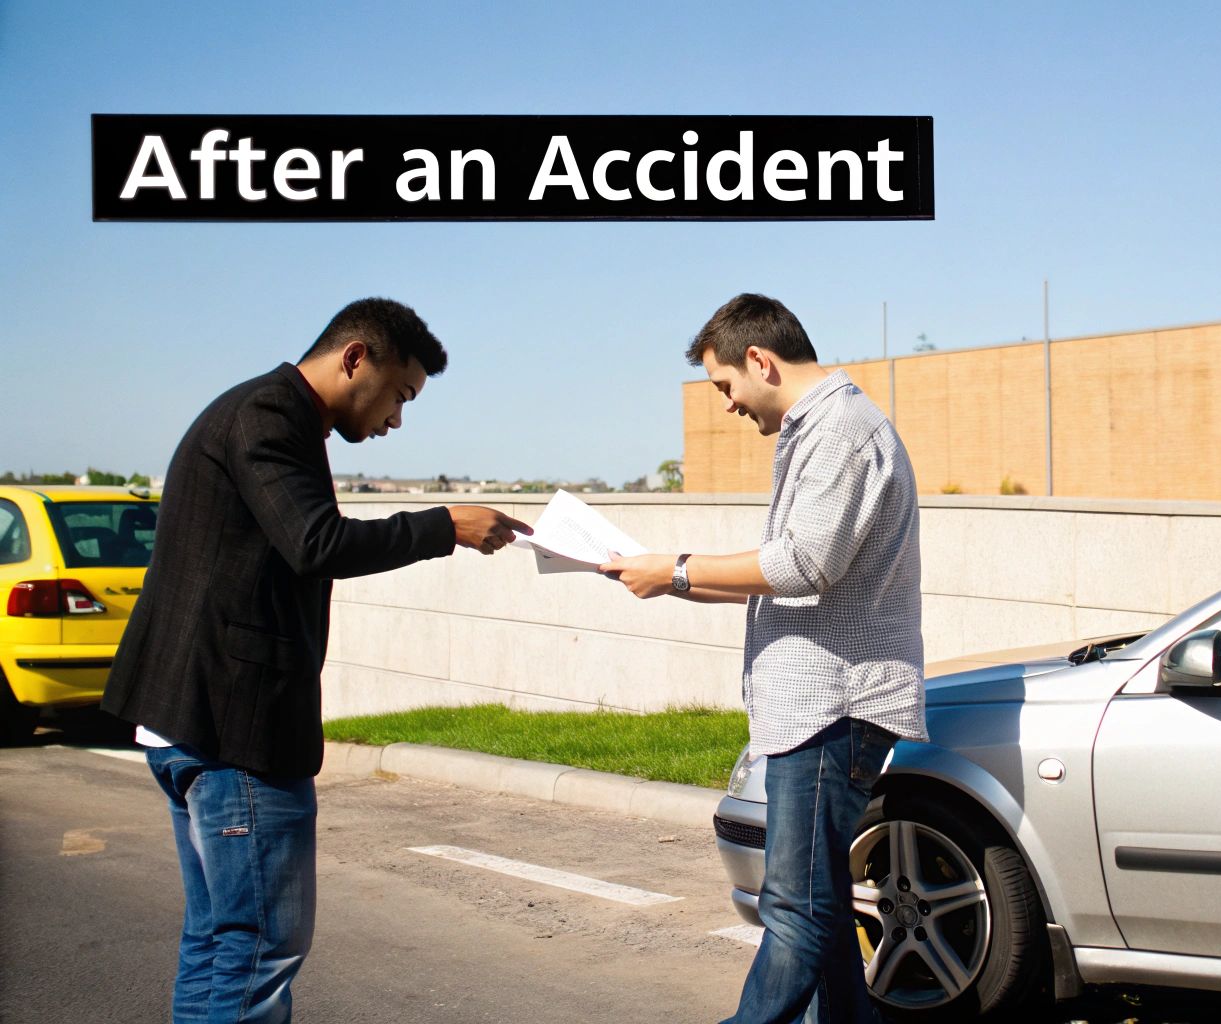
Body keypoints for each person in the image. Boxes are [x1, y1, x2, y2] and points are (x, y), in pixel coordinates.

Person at [101, 297, 529, 1024]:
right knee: (259, 945)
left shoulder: (265, 414)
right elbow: (315, 543)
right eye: (401, 394)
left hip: (194, 724)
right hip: (234, 731)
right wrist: (445, 525)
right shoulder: (268, 417)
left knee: (219, 942)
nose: (397, 418)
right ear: (355, 357)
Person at [603, 293, 925, 1024]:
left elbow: (802, 564)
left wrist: (677, 570)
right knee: (819, 910)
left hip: (831, 711)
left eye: (725, 387)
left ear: (759, 360)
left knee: (794, 912)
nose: (727, 405)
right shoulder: (821, 428)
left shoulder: (841, 429)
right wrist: (666, 579)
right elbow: (789, 574)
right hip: (816, 710)